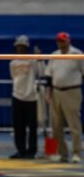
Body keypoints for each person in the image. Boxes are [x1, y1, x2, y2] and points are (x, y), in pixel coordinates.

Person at [44, 32, 84, 163]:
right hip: (56, 92)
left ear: (68, 41)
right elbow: (49, 74)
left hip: (72, 91)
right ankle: (63, 153)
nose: (60, 43)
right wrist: (48, 91)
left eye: (62, 41)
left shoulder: (77, 54)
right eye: (58, 41)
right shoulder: (54, 55)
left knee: (74, 125)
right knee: (56, 126)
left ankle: (77, 153)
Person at [9, 35, 44, 159]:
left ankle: (31, 151)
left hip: (31, 97)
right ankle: (21, 150)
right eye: (18, 47)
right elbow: (14, 77)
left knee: (32, 127)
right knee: (19, 126)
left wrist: (39, 58)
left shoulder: (33, 61)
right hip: (17, 96)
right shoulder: (13, 63)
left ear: (26, 48)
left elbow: (41, 72)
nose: (20, 49)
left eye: (22, 47)